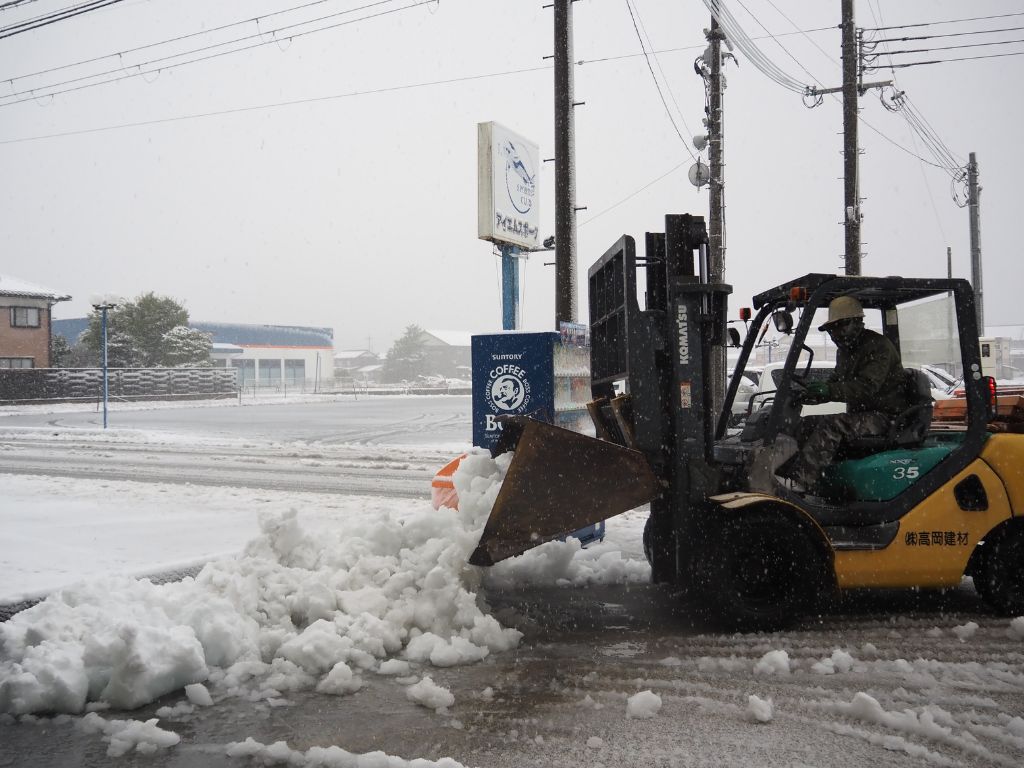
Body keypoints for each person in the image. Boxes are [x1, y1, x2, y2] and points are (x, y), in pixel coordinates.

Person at [783, 295, 911, 492]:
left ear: (858, 322)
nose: (836, 333)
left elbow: (866, 388)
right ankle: (792, 475)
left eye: (841, 325)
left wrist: (829, 391)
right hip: (860, 415)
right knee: (806, 423)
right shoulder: (845, 351)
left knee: (832, 424)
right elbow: (836, 381)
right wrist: (811, 395)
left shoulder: (878, 347)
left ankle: (802, 482)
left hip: (886, 417)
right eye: (832, 328)